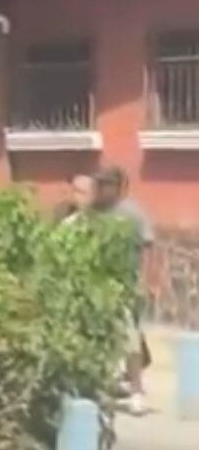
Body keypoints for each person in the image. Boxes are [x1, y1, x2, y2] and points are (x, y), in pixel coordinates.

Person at [93, 166, 155, 416]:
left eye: (106, 185)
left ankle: (137, 391)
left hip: (127, 283)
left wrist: (147, 281)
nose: (101, 189)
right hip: (100, 285)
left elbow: (148, 246)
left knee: (131, 341)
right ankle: (104, 385)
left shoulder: (132, 213)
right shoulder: (95, 212)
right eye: (99, 184)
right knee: (102, 339)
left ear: (118, 187)